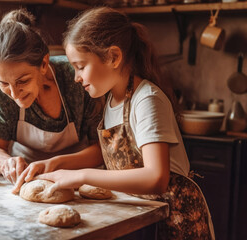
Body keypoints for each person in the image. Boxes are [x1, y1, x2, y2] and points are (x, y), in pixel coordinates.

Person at [14, 7, 215, 240]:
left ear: (113, 57)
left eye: (80, 67)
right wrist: (56, 164)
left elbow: (156, 177)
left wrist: (81, 176)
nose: (76, 77)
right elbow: (109, 155)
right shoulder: (110, 100)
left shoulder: (146, 100)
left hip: (177, 219)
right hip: (143, 215)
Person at [0, 9, 104, 185]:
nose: (14, 94)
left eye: (22, 81)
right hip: (26, 176)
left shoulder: (75, 78)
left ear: (44, 64)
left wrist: (54, 165)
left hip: (80, 174)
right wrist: (6, 163)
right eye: (4, 84)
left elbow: (102, 149)